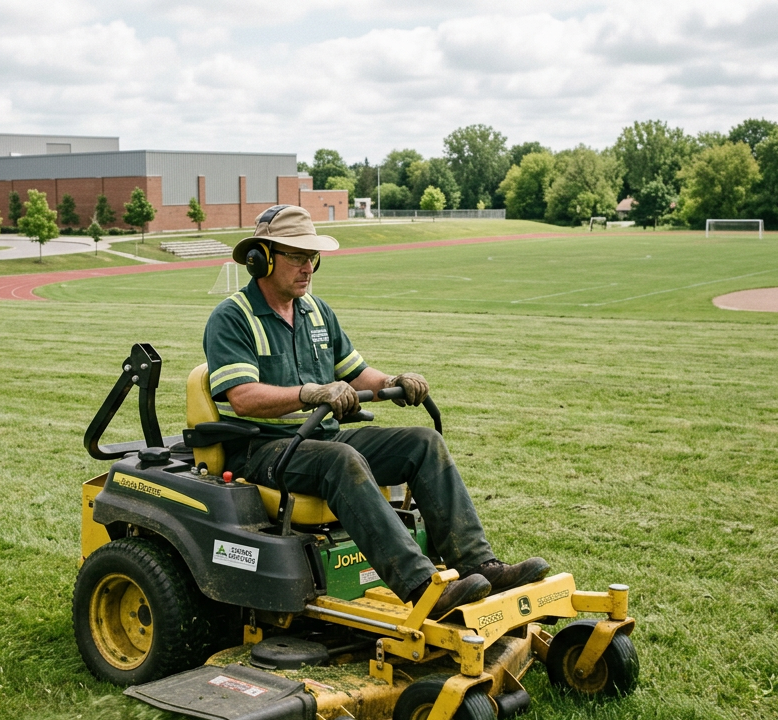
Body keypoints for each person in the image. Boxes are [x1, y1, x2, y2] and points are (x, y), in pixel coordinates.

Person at [203, 205, 549, 618]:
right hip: (265, 449)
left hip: (322, 436)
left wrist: (396, 383)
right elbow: (242, 397)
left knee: (423, 442)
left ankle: (479, 565)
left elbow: (357, 373)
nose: (307, 267)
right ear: (262, 258)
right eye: (296, 255)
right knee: (342, 461)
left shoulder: (317, 311)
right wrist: (310, 393)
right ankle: (422, 589)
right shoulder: (232, 318)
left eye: (311, 257)